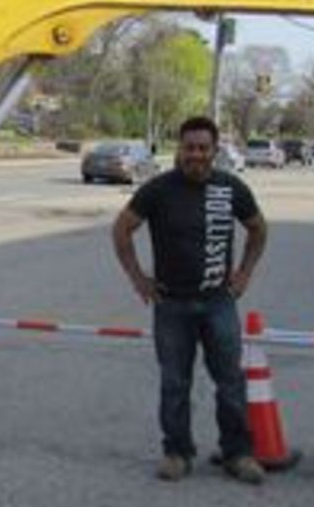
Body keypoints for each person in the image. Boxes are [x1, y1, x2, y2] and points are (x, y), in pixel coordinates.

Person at [112, 115, 269, 484]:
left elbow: (258, 229)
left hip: (219, 303)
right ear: (178, 149)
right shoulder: (157, 189)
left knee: (230, 381)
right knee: (174, 383)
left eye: (203, 148)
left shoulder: (231, 188)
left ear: (215, 151)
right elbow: (122, 230)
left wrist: (244, 272)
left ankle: (238, 453)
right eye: (189, 147)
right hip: (171, 305)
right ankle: (177, 452)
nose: (195, 155)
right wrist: (138, 278)